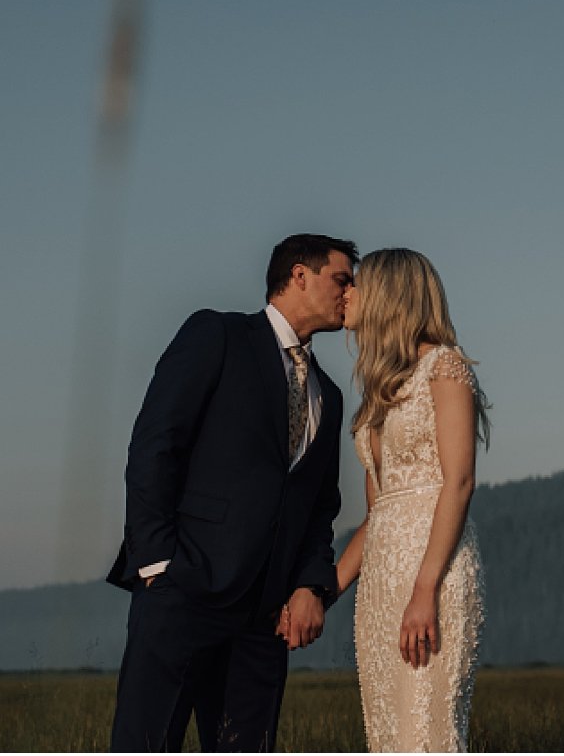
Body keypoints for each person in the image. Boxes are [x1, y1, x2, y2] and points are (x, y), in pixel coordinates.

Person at [106, 234, 358, 752]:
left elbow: (319, 509)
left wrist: (310, 584)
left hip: (263, 620)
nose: (351, 293)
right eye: (342, 278)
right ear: (299, 275)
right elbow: (155, 443)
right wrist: (157, 564)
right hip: (182, 592)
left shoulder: (328, 396)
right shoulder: (217, 334)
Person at [331, 248, 492, 752]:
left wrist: (425, 591)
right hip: (380, 587)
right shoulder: (377, 394)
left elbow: (459, 482)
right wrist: (322, 590)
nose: (346, 293)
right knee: (388, 736)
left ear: (388, 295)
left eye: (357, 285)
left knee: (426, 734)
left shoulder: (445, 368)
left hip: (432, 578)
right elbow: (376, 516)